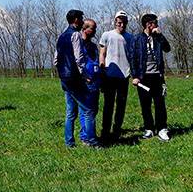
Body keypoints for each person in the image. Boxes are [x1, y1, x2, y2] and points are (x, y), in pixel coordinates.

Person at [54, 9, 97, 148]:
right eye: (81, 19)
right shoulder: (75, 35)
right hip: (74, 78)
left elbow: (56, 59)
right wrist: (86, 76)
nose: (83, 21)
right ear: (76, 20)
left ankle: (69, 142)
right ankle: (91, 141)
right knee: (88, 110)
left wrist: (62, 73)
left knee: (70, 113)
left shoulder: (61, 36)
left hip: (64, 79)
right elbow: (79, 59)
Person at [129, 13, 171, 141]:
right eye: (155, 23)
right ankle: (149, 129)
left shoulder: (158, 38)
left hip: (157, 76)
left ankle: (162, 129)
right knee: (145, 104)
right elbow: (132, 58)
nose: (157, 25)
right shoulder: (137, 39)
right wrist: (134, 76)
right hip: (143, 77)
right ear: (149, 24)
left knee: (160, 103)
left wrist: (160, 35)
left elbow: (167, 49)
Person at [98, 10, 133, 143]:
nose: (121, 25)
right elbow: (102, 52)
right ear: (115, 22)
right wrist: (102, 65)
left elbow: (131, 56)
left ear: (126, 23)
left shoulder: (130, 37)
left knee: (121, 104)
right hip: (110, 75)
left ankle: (117, 129)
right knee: (108, 104)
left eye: (123, 22)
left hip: (124, 75)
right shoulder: (107, 35)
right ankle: (105, 130)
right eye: (119, 22)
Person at [76, 18, 102, 147]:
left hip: (95, 82)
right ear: (85, 29)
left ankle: (85, 136)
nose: (95, 31)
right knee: (88, 112)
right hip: (85, 83)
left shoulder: (93, 46)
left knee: (90, 111)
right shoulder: (78, 44)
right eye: (93, 28)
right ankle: (91, 140)